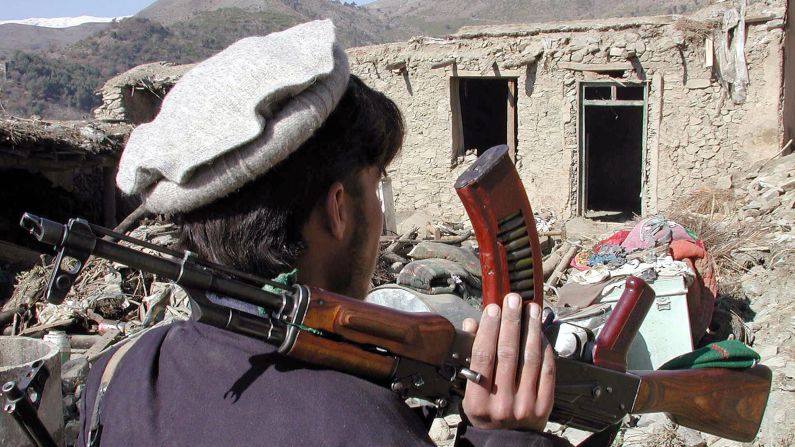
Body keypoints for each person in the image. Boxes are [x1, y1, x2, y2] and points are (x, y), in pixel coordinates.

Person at [76, 20, 567, 446]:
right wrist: (506, 439)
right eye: (374, 189)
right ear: (338, 210)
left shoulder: (117, 375)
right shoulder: (362, 428)